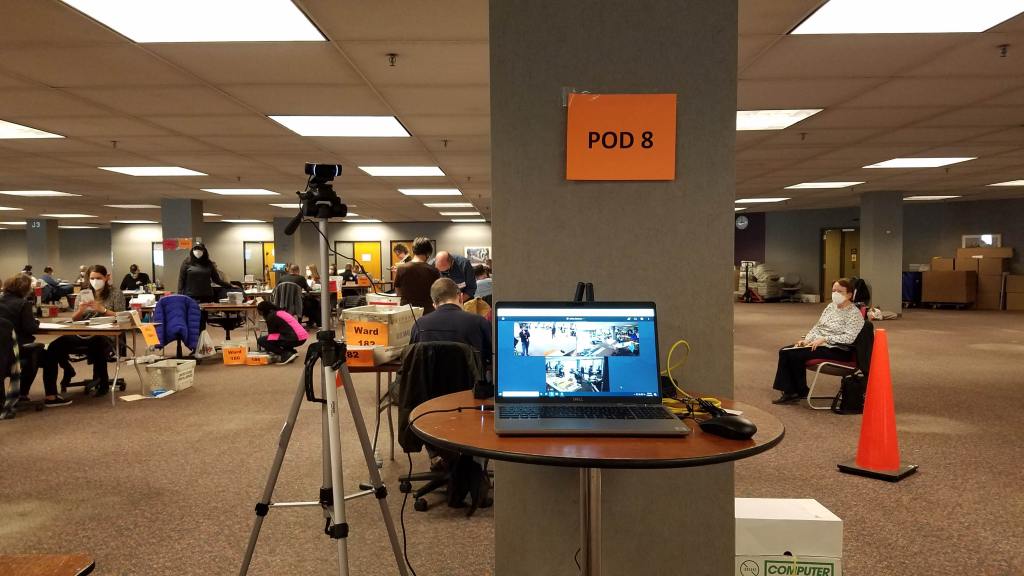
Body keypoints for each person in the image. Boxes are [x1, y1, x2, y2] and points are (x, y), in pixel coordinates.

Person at [771, 278, 865, 404]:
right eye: (834, 291)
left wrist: (825, 339)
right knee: (785, 351)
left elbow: (849, 338)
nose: (836, 294)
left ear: (849, 294)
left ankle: (795, 391)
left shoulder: (854, 314)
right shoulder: (831, 307)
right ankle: (795, 390)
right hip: (820, 344)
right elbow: (818, 327)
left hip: (838, 349)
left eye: (840, 291)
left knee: (793, 354)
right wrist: (806, 339)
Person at [44, 265, 125, 397]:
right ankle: (51, 393)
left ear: (106, 278)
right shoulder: (83, 294)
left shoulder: (116, 293)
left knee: (97, 343)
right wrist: (81, 310)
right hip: (82, 332)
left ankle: (103, 383)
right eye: (92, 278)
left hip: (105, 334)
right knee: (54, 347)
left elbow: (122, 317)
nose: (95, 281)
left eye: (98, 278)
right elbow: (75, 319)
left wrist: (102, 310)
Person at [0, 275, 71, 407]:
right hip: (15, 351)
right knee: (48, 355)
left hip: (3, 353)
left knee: (37, 354)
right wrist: (36, 322)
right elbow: (30, 328)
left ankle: (22, 393)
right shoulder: (23, 304)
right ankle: (50, 396)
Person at [409, 278, 492, 369]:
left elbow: (413, 358)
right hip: (470, 382)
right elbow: (492, 354)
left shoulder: (419, 325)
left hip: (430, 382)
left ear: (434, 304)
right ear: (460, 297)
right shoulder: (479, 322)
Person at [395, 237, 441, 314]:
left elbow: (398, 292)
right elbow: (437, 294)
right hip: (427, 312)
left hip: (406, 313)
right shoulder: (434, 271)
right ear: (428, 253)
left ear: (413, 250)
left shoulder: (401, 268)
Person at [256, 300, 307, 365]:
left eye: (259, 312)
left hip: (294, 338)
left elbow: (272, 335)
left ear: (263, 310)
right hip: (302, 337)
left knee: (261, 340)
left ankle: (285, 354)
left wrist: (270, 348)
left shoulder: (271, 316)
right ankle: (291, 351)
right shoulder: (280, 312)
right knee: (280, 336)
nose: (259, 314)